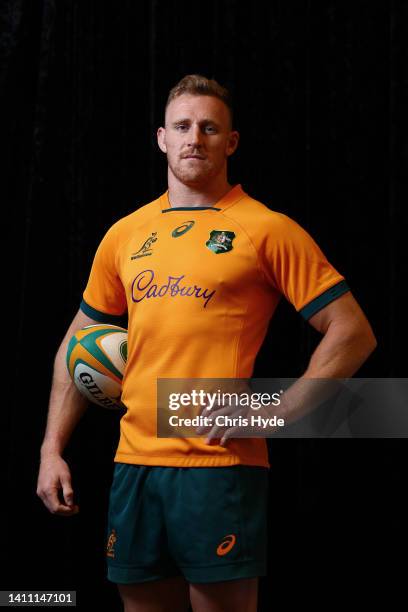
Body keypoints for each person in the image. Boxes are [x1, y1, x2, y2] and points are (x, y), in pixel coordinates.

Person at [37, 74, 377, 612]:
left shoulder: (265, 228)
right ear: (161, 138)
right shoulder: (125, 234)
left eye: (209, 127)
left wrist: (276, 410)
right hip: (133, 463)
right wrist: (51, 449)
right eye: (183, 126)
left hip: (218, 467)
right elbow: (75, 344)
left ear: (230, 142)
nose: (195, 137)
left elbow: (353, 331)